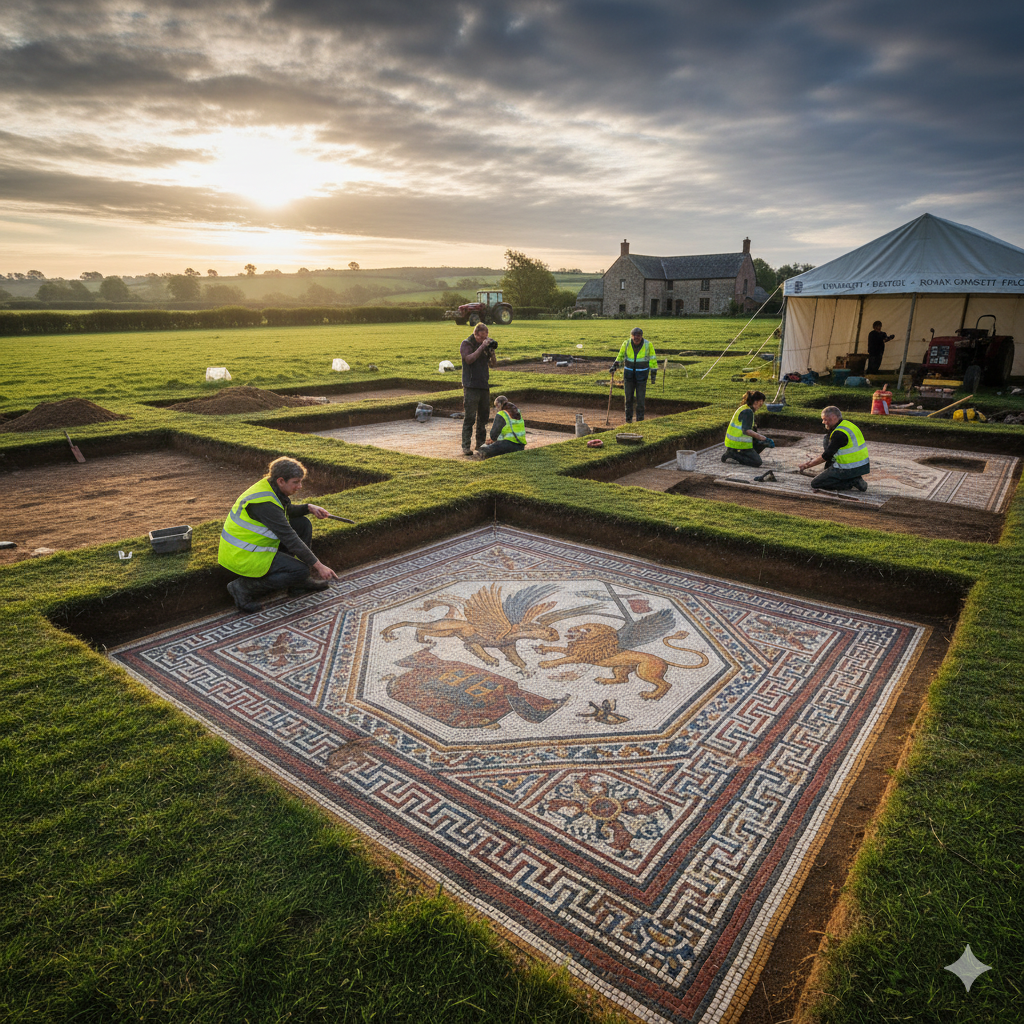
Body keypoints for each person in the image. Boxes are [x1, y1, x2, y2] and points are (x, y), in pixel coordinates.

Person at [218, 456, 339, 613]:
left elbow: (283, 512)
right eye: (296, 482)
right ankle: (242, 588)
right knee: (300, 570)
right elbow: (290, 538)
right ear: (281, 480)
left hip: (253, 545)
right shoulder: (264, 503)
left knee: (303, 524)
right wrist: (319, 566)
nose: (300, 486)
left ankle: (298, 585)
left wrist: (308, 508)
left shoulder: (270, 487)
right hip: (243, 554)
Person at [798, 406, 870, 492]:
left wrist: (807, 465)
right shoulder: (847, 425)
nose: (823, 422)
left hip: (847, 467)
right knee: (827, 438)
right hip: (862, 466)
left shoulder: (839, 434)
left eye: (825, 419)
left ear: (833, 417)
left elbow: (826, 456)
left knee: (816, 483)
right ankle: (853, 476)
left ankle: (851, 481)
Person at [460, 322, 498, 456]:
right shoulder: (466, 344)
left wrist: (492, 352)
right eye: (482, 337)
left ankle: (480, 444)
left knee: (483, 417)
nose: (484, 339)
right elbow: (469, 359)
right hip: (470, 385)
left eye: (486, 337)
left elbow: (493, 365)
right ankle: (465, 446)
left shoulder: (485, 346)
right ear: (475, 334)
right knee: (469, 417)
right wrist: (482, 347)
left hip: (483, 385)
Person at [613, 327, 658, 424]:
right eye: (634, 336)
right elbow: (620, 356)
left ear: (641, 336)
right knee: (628, 399)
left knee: (640, 400)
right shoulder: (626, 343)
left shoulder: (648, 345)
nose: (636, 338)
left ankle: (640, 420)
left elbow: (653, 359)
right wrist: (615, 365)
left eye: (638, 336)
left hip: (642, 376)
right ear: (631, 336)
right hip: (628, 376)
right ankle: (628, 420)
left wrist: (653, 373)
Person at [722, 390, 774, 467]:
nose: (761, 405)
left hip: (736, 443)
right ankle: (733, 454)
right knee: (757, 462)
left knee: (763, 443)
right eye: (760, 403)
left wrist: (762, 440)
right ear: (756, 402)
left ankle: (734, 452)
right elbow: (746, 431)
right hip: (739, 444)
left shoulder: (745, 408)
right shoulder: (748, 412)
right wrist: (763, 438)